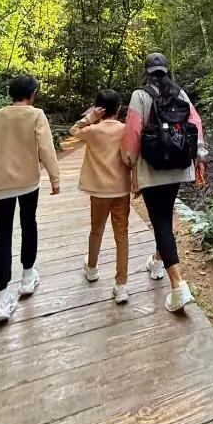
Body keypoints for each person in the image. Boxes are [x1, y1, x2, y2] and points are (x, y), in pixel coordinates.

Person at [122, 53, 207, 313]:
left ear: (147, 71)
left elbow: (133, 132)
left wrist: (129, 163)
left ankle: (178, 286)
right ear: (166, 71)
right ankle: (158, 260)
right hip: (178, 166)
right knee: (166, 213)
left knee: (159, 221)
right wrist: (200, 156)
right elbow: (196, 123)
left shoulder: (140, 95)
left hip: (152, 167)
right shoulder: (180, 93)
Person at [0, 73, 60, 324]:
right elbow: (46, 147)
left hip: (2, 185)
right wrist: (55, 178)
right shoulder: (36, 115)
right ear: (33, 94)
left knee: (2, 236)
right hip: (28, 183)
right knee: (28, 225)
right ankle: (27, 277)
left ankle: (2, 300)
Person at [69, 88, 131, 304]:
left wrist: (90, 117)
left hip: (99, 191)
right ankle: (121, 285)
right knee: (121, 234)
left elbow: (73, 130)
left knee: (96, 230)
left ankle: (93, 268)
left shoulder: (93, 130)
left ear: (98, 108)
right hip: (122, 189)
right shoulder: (125, 130)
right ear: (119, 108)